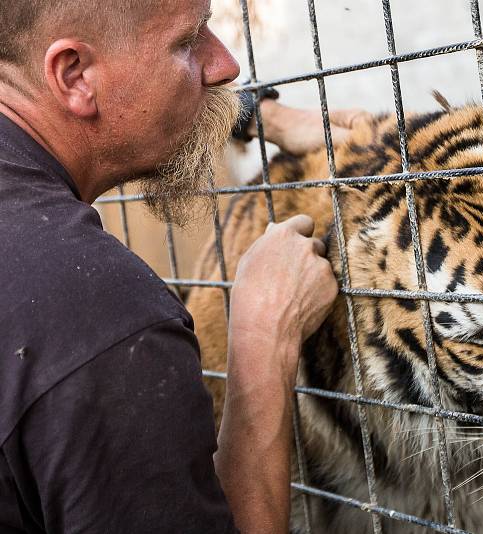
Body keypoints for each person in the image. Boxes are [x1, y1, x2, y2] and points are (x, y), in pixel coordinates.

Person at [0, 1, 358, 532]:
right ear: (73, 74)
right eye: (189, 41)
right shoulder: (102, 321)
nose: (226, 64)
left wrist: (259, 117)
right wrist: (262, 331)